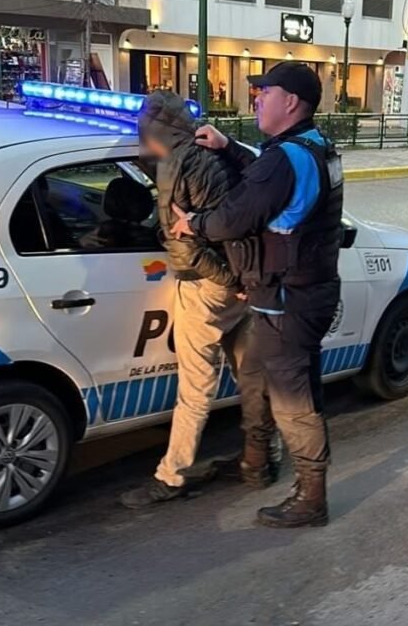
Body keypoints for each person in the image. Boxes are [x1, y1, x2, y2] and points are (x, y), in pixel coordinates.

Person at [170, 61, 344, 529]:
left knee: (291, 396)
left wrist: (192, 224)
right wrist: (229, 147)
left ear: (290, 102)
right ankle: (258, 461)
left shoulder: (287, 158)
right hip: (300, 292)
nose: (256, 99)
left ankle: (311, 497)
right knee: (286, 384)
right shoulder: (313, 147)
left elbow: (236, 216)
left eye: (264, 92)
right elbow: (268, 178)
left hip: (288, 298)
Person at [120, 90, 257, 508]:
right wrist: (240, 280)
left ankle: (172, 476)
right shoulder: (209, 149)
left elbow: (183, 247)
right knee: (252, 377)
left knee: (195, 388)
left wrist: (228, 280)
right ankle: (261, 459)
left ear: (154, 131)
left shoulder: (173, 171)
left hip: (209, 285)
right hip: (244, 277)